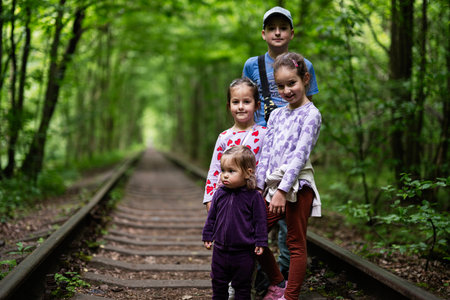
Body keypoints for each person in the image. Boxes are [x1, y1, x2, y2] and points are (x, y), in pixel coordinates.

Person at [242, 6, 320, 282]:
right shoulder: (253, 65)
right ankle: (262, 279)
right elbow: (245, 99)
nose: (277, 32)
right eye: (272, 27)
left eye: (283, 27)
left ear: (291, 33)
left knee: (289, 220)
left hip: (289, 148)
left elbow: (306, 108)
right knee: (256, 211)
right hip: (261, 144)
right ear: (263, 34)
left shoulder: (304, 65)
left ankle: (285, 276)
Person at [256, 52, 322, 300]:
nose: (286, 90)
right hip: (273, 187)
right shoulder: (276, 115)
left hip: (297, 186)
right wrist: (258, 189)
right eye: (280, 86)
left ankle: (289, 296)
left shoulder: (311, 115)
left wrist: (283, 191)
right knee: (254, 235)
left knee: (295, 242)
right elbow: (266, 155)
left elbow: (299, 155)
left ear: (305, 79)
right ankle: (277, 282)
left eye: (291, 83)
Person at [202, 146, 268, 299]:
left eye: (231, 171)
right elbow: (212, 217)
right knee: (218, 283)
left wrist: (261, 241)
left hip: (244, 252)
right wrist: (207, 235)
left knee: (242, 286)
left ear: (248, 173)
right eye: (223, 170)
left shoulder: (253, 197)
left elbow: (260, 221)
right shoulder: (219, 194)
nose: (225, 175)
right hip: (220, 250)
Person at [203, 77, 268, 212]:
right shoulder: (224, 137)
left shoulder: (265, 134)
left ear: (257, 105)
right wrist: (209, 199)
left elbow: (266, 165)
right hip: (226, 198)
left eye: (246, 102)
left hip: (253, 197)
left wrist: (260, 190)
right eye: (235, 102)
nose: (240, 106)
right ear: (229, 106)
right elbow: (215, 169)